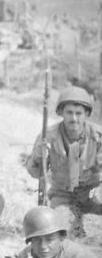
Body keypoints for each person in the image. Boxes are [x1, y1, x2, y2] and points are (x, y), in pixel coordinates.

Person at [25, 86, 102, 237]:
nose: (74, 118)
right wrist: (39, 157)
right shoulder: (47, 136)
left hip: (92, 193)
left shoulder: (98, 136)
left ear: (86, 114)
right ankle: (75, 225)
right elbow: (35, 173)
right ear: (61, 113)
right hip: (63, 196)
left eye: (79, 113)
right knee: (61, 231)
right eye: (69, 113)